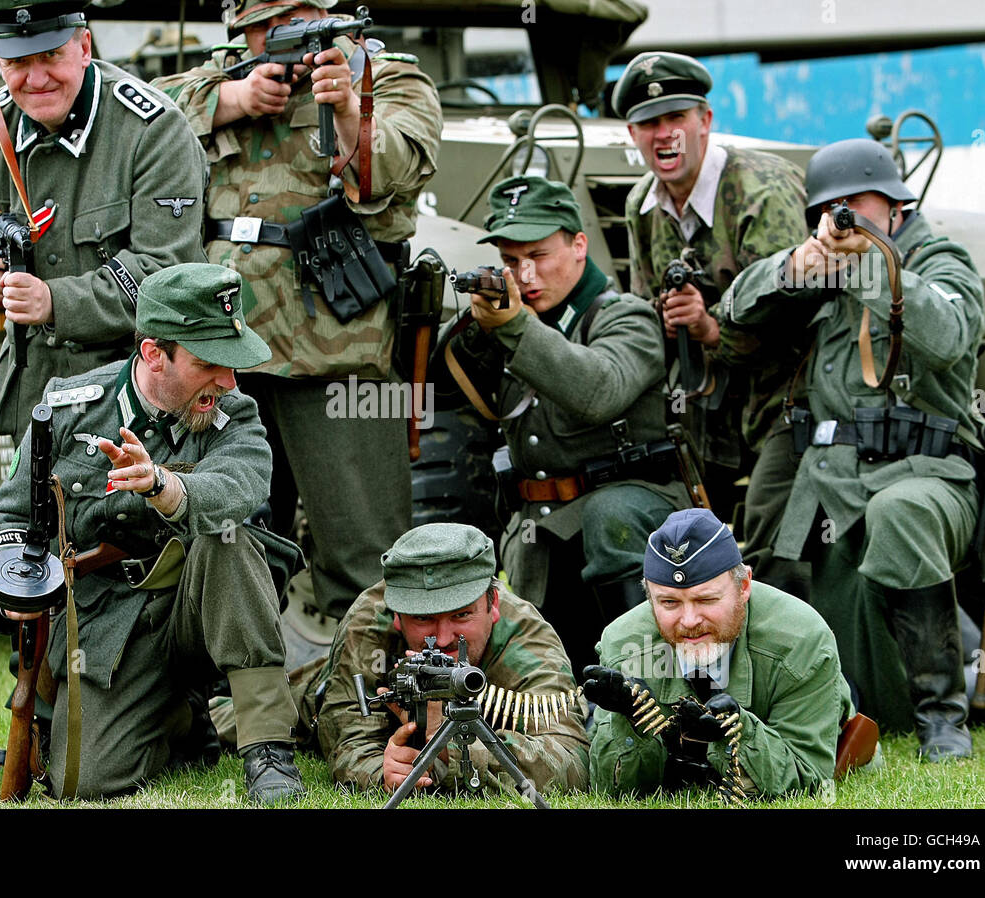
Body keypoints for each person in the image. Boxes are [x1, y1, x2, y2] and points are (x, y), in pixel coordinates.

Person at [153, 0, 442, 623]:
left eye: (292, 21)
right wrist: (232, 98)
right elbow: (139, 117)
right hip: (225, 350)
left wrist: (345, 110)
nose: (274, 39)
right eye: (261, 27)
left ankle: (368, 708)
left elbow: (398, 163)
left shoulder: (386, 76)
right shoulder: (223, 75)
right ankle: (234, 713)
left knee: (363, 558)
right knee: (218, 541)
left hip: (337, 355)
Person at [0, 263, 306, 804]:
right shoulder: (69, 406)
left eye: (233, 364)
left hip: (205, 609)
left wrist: (165, 486)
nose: (228, 381)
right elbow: (6, 519)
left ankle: (268, 749)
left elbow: (240, 487)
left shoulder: (236, 414)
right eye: (209, 365)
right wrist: (14, 580)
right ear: (154, 354)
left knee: (226, 538)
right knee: (84, 783)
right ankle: (178, 719)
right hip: (108, 624)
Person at [722, 137, 985, 761]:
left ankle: (942, 718)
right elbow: (732, 308)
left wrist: (868, 264)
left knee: (902, 516)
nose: (846, 219)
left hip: (926, 469)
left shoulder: (941, 259)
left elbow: (947, 337)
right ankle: (811, 708)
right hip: (831, 468)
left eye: (858, 204)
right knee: (763, 548)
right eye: (832, 208)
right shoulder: (826, 270)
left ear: (894, 206)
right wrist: (794, 265)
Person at [0, 0, 206, 441]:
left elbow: (167, 275)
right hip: (37, 397)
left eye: (51, 55)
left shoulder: (152, 130)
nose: (35, 79)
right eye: (16, 62)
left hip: (140, 398)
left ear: (84, 46)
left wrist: (54, 303)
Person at [445, 175, 689, 673]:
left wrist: (515, 328)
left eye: (540, 254)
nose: (525, 273)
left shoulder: (625, 316)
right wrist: (464, 331)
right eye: (511, 261)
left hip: (632, 514)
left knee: (609, 516)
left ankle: (649, 680)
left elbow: (598, 391)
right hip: (543, 529)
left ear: (580, 246)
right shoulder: (510, 322)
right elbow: (440, 397)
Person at [613, 51, 812, 596]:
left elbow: (789, 316)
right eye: (650, 124)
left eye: (676, 118)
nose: (664, 135)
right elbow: (643, 303)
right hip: (706, 402)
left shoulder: (760, 190)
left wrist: (708, 326)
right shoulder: (643, 205)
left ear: (706, 120)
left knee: (773, 545)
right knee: (691, 542)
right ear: (632, 133)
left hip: (787, 393)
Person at [586, 508, 857, 798]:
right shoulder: (624, 644)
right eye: (669, 602)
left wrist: (736, 732)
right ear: (649, 597)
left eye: (706, 599)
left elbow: (808, 776)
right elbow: (610, 789)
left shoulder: (801, 639)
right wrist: (632, 722)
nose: (689, 621)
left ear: (744, 586)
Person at [315, 523, 589, 795]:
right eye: (423, 618)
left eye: (461, 615)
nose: (444, 638)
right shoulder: (370, 624)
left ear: (492, 604)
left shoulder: (526, 637)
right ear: (396, 615)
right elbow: (348, 740)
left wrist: (449, 746)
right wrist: (382, 773)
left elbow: (570, 759)